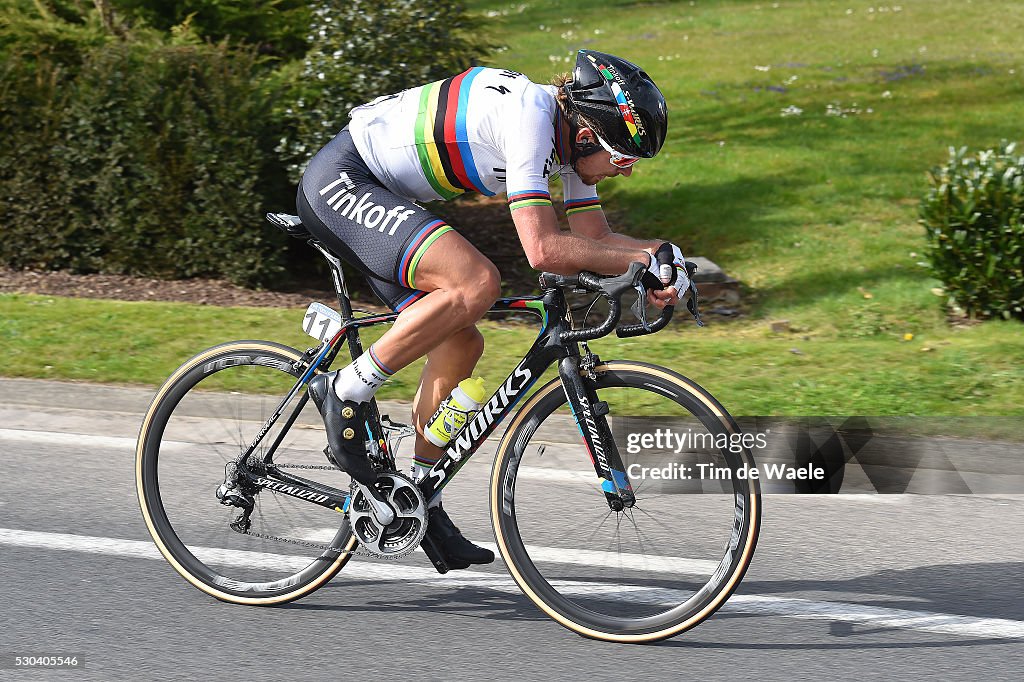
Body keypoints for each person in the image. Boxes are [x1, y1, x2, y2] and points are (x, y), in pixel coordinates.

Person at [297, 49, 690, 570]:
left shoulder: (569, 143)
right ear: (590, 132)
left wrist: (662, 255)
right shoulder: (530, 118)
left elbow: (596, 237)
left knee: (462, 341)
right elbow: (544, 249)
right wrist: (641, 259)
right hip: (342, 182)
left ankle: (419, 498)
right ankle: (345, 389)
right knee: (476, 282)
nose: (626, 173)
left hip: (383, 197)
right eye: (623, 159)